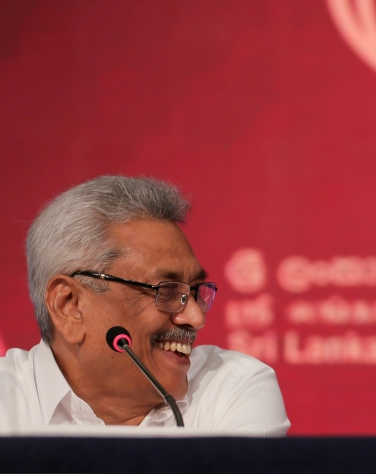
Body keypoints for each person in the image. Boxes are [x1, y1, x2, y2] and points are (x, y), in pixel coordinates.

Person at [0, 175, 290, 434]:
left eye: (196, 292)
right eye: (166, 290)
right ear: (70, 305)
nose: (195, 317)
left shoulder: (230, 389)